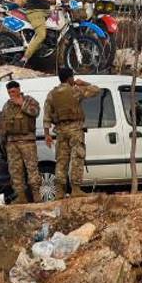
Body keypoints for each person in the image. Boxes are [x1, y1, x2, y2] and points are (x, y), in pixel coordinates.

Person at [43, 67, 101, 197]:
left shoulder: (52, 94)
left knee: (61, 161)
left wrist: (47, 134)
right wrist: (83, 83)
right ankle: (75, 189)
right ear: (70, 78)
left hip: (60, 131)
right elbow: (97, 90)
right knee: (77, 157)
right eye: (72, 77)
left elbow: (46, 115)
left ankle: (59, 192)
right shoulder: (76, 90)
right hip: (75, 129)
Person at [0, 81, 42, 202]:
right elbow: (2, 125)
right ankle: (21, 196)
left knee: (32, 168)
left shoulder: (28, 100)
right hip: (11, 143)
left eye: (13, 91)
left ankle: (36, 195)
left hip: (27, 141)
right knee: (15, 171)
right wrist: (3, 143)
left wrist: (22, 103)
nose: (11, 94)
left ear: (18, 89)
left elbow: (36, 112)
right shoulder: (7, 105)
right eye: (9, 92)